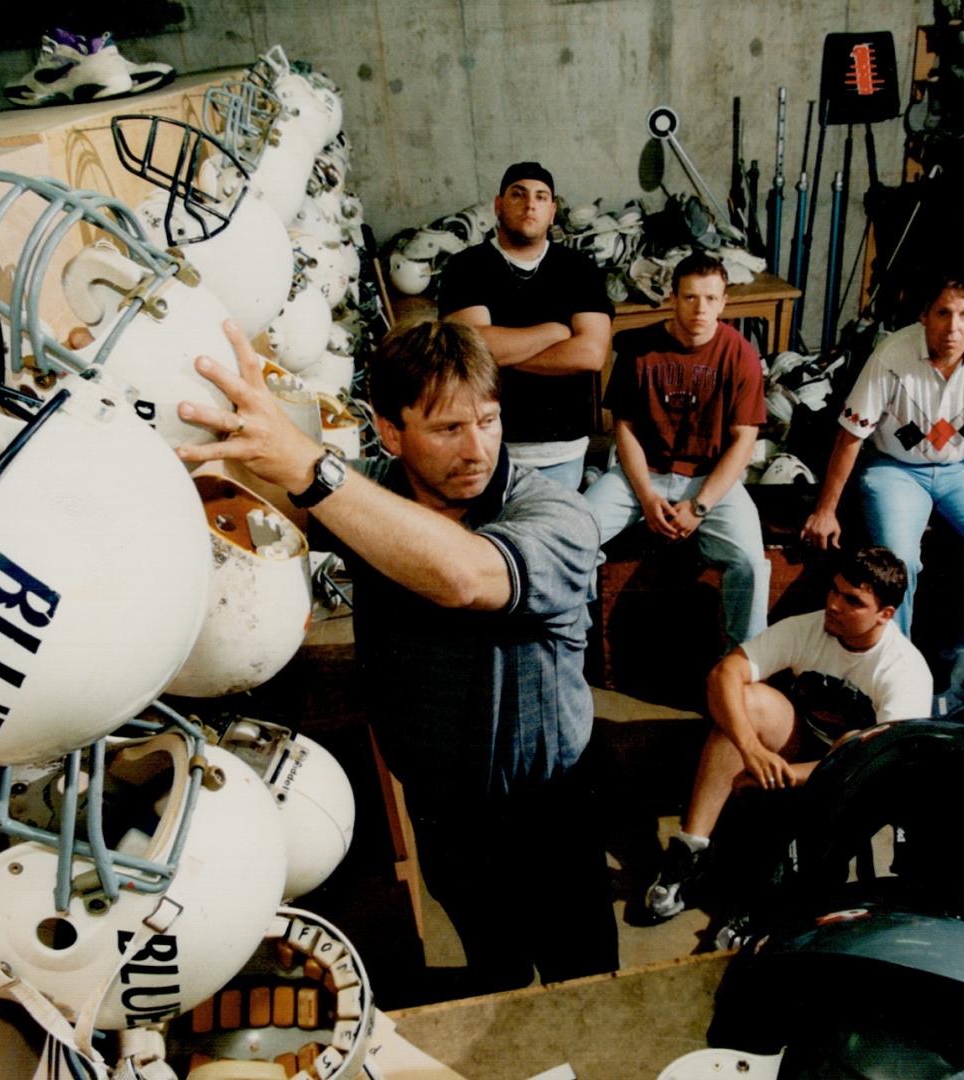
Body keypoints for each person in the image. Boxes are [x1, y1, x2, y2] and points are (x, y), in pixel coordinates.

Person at [176, 318, 618, 993]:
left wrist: (309, 468)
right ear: (390, 432)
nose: (478, 449)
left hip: (549, 808)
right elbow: (261, 496)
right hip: (444, 810)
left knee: (585, 982)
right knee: (493, 963)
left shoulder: (556, 516)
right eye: (447, 429)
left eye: (490, 421)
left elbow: (465, 576)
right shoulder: (370, 492)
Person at [644, 546, 933, 922]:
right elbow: (723, 674)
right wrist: (751, 750)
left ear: (885, 614)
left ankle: (768, 909)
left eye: (853, 601)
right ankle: (690, 849)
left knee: (855, 746)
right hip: (799, 746)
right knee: (747, 700)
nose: (834, 605)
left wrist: (777, 776)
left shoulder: (905, 669)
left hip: (853, 778)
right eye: (834, 590)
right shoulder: (809, 626)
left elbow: (878, 762)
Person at [800, 269, 964, 690]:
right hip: (893, 469)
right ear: (924, 316)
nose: (954, 327)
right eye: (943, 313)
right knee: (900, 562)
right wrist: (825, 510)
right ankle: (899, 661)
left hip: (961, 468)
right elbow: (850, 439)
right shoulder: (891, 355)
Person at [583, 251, 770, 645]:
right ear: (672, 297)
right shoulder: (639, 348)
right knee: (574, 536)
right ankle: (572, 641)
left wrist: (700, 506)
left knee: (752, 561)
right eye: (690, 297)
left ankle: (744, 663)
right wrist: (647, 498)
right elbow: (625, 429)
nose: (700, 308)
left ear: (724, 302)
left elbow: (744, 440)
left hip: (709, 478)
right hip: (642, 474)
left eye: (710, 299)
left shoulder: (740, 353)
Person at [438, 161, 614, 489]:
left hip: (562, 447)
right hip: (484, 442)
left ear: (552, 211)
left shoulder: (579, 268)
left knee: (551, 535)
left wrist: (499, 353)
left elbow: (590, 354)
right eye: (518, 195)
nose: (530, 204)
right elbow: (470, 348)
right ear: (498, 205)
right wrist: (554, 332)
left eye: (541, 197)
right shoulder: (466, 267)